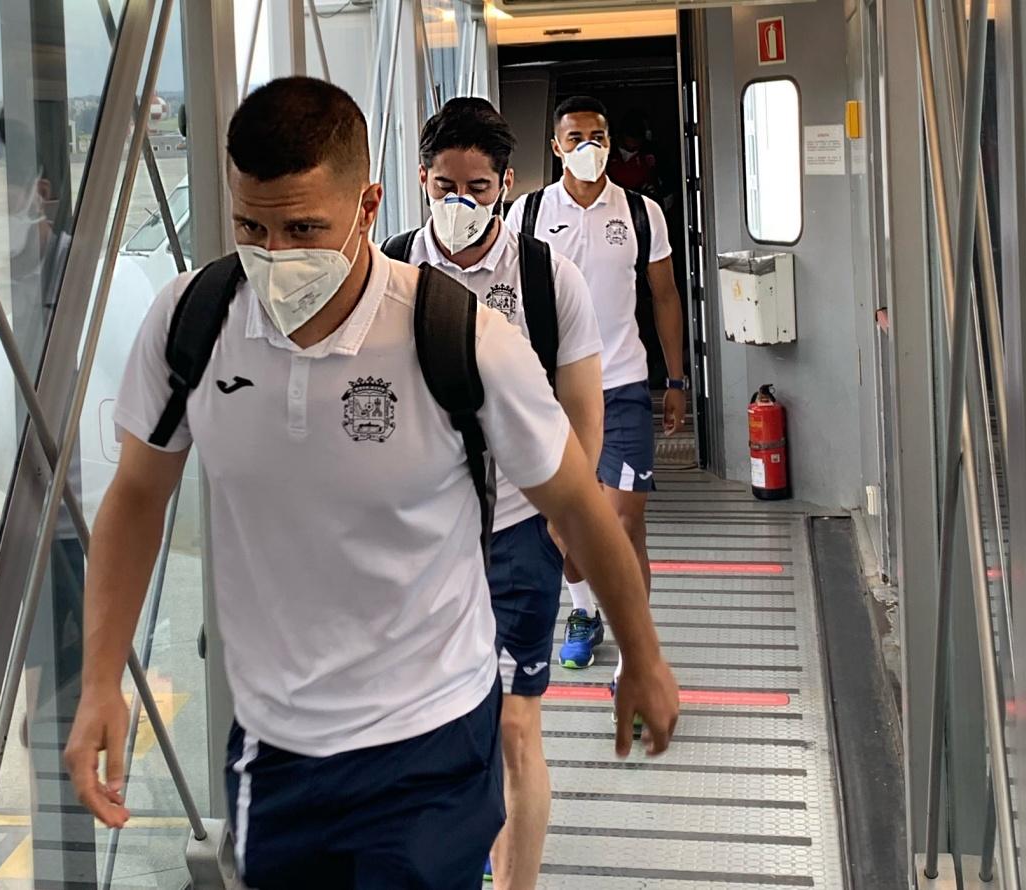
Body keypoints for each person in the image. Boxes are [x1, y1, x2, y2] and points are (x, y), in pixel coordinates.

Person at [65, 77, 679, 890]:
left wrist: (641, 653)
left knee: (512, 741)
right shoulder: (194, 324)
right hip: (275, 747)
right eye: (252, 226)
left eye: (303, 228)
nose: (275, 257)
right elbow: (138, 494)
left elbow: (574, 494)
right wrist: (101, 678)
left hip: (427, 741)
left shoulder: (458, 337)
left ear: (367, 204)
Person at [386, 97, 604, 890]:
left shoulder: (550, 281)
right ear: (421, 180)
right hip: (418, 538)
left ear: (508, 184)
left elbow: (584, 412)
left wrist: (567, 520)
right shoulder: (388, 274)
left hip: (517, 532)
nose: (459, 203)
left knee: (515, 728)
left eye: (477, 187)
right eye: (444, 184)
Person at [506, 96, 689, 679]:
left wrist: (677, 380)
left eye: (598, 135)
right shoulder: (527, 214)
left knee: (623, 521)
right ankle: (583, 612)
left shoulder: (640, 212)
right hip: (552, 392)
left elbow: (663, 296)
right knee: (564, 525)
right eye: (576, 136)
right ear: (556, 146)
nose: (589, 146)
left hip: (625, 385)